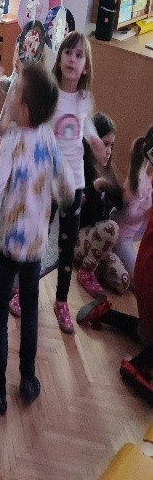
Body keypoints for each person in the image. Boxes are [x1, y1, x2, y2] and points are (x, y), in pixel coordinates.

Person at [0, 64, 74, 415]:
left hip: (7, 247)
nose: (10, 93)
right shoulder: (48, 137)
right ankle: (28, 379)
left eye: (15, 91)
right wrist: (60, 197)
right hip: (34, 248)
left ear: (25, 110)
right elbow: (67, 185)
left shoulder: (14, 141)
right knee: (30, 310)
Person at [48, 32, 107, 333]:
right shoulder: (50, 93)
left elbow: (86, 125)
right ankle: (20, 288)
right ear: (59, 58)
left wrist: (95, 142)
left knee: (67, 245)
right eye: (68, 53)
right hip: (47, 180)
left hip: (74, 182)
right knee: (37, 237)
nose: (72, 59)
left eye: (79, 55)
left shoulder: (84, 99)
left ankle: (61, 301)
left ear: (85, 67)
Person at [77, 197, 153, 406]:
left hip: (143, 270)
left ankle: (106, 314)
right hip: (148, 278)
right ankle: (138, 365)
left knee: (147, 334)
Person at [74, 113, 128, 297]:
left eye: (112, 145)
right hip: (77, 239)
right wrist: (95, 187)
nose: (109, 151)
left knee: (123, 282)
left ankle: (94, 267)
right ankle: (86, 272)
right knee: (111, 228)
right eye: (105, 144)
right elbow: (75, 209)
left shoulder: (106, 171)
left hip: (98, 244)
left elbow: (121, 203)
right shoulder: (81, 168)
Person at [111, 126, 153, 285]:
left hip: (134, 234)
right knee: (139, 281)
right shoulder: (136, 180)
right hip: (122, 236)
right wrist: (147, 212)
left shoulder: (148, 179)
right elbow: (127, 216)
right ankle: (109, 256)